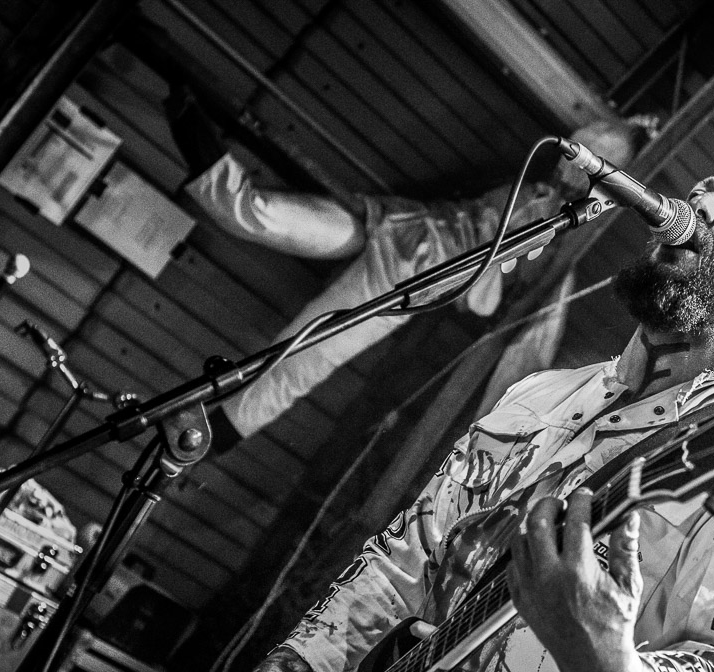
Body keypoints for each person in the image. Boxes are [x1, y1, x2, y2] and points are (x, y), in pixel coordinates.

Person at [221, 166, 714, 672]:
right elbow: (410, 554)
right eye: (702, 191)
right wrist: (303, 666)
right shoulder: (535, 396)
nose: (700, 206)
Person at [165, 85, 651, 452]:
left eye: (582, 161)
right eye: (571, 151)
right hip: (391, 221)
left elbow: (502, 308)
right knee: (262, 215)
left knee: (306, 353)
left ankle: (211, 434)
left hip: (410, 274)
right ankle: (181, 100)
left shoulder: (564, 235)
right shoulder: (533, 186)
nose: (567, 163)